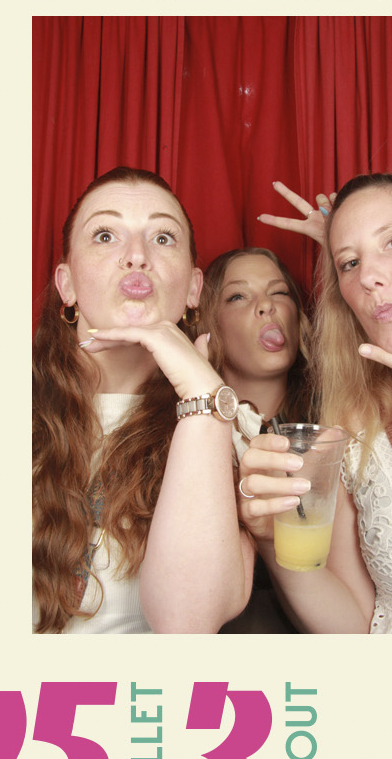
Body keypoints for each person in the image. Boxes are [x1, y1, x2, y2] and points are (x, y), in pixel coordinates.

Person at [240, 173, 392, 633]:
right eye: (349, 263)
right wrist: (272, 536)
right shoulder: (353, 421)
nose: (368, 277)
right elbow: (354, 625)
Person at [33, 169, 250, 634]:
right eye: (105, 235)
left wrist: (202, 397)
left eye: (163, 238)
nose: (136, 256)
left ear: (193, 289)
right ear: (66, 284)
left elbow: (187, 623)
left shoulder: (233, 427)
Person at [199, 246, 312, 633]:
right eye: (238, 296)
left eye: (279, 292)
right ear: (209, 325)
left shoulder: (336, 432)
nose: (267, 306)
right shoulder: (184, 438)